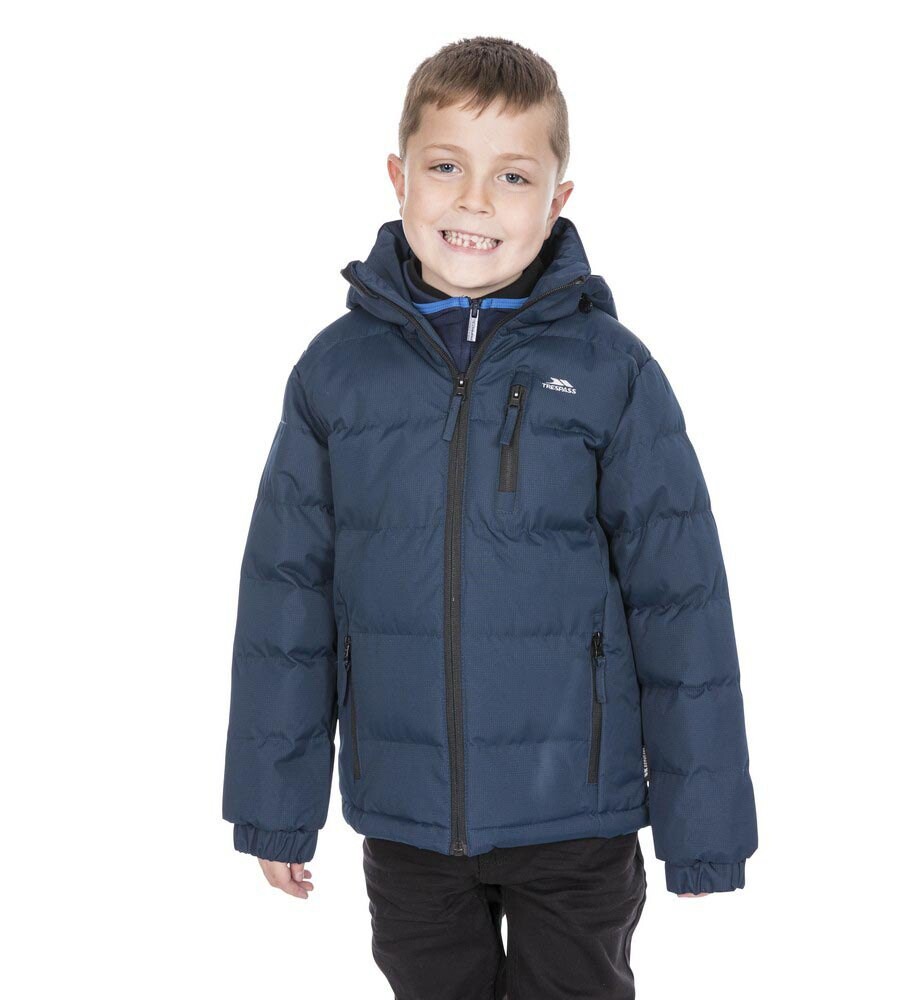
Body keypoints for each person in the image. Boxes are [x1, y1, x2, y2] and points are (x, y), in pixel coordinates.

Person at [222, 35, 758, 1000]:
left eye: (512, 176)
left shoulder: (612, 372)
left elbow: (681, 603)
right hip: (408, 819)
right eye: (445, 167)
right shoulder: (335, 375)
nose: (474, 202)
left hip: (577, 816)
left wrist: (704, 825)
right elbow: (286, 601)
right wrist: (276, 806)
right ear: (399, 178)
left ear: (556, 201)